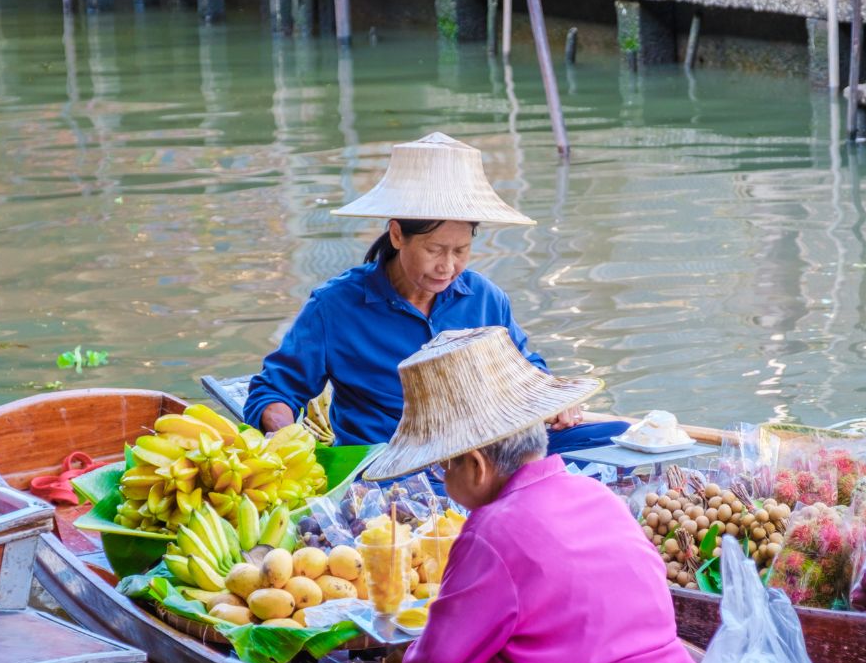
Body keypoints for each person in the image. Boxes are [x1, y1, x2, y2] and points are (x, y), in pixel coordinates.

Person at [375, 328, 697, 663]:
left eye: (441, 469)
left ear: (476, 466)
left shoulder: (490, 531)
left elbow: (437, 662)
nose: (442, 478)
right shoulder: (597, 493)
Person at [242, 132, 627, 457]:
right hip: (387, 465)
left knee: (615, 437)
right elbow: (274, 390)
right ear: (397, 235)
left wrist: (557, 400)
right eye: (434, 249)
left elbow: (526, 371)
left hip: (483, 458)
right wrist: (284, 439)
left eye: (461, 250)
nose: (448, 266)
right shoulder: (335, 306)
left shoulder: (485, 299)